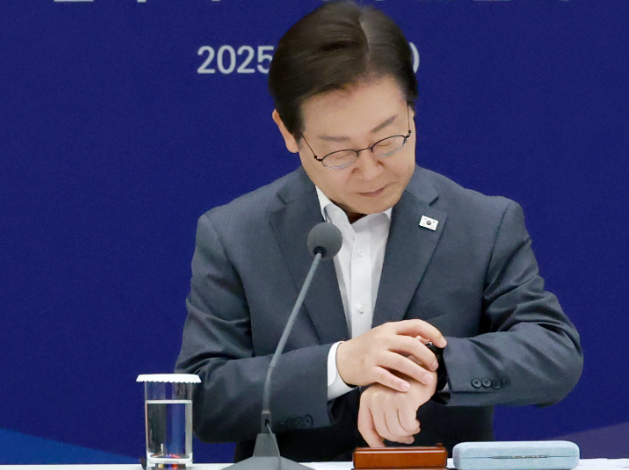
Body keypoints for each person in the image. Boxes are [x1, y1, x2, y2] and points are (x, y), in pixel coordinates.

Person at [175, 0, 582, 463]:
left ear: (411, 111)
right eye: (339, 153)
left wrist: (431, 368)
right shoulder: (235, 234)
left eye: (388, 140)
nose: (370, 171)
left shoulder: (483, 223)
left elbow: (555, 355)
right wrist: (339, 365)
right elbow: (203, 398)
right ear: (288, 132)